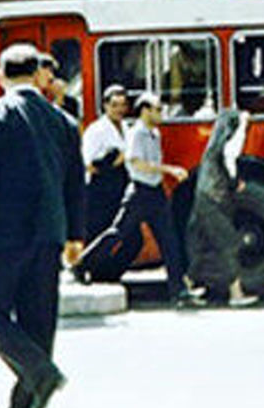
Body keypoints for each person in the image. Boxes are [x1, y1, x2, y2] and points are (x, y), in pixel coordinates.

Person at [0, 44, 85, 408]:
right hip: (50, 231)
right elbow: (75, 183)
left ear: (1, 76)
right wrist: (74, 235)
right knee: (39, 318)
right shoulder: (64, 121)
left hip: (4, 232)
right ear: (37, 75)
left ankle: (39, 372)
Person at [76, 93, 194, 305]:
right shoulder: (137, 133)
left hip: (155, 191)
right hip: (139, 193)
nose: (161, 113)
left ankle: (179, 290)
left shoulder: (154, 133)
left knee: (169, 241)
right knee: (117, 232)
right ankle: (81, 263)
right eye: (157, 109)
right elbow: (135, 162)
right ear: (145, 110)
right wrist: (168, 170)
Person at [185, 109, 258, 307]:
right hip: (214, 200)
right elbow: (230, 156)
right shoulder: (228, 144)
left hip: (204, 198)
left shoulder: (211, 148)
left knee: (204, 245)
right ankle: (236, 294)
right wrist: (243, 122)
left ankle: (186, 287)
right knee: (229, 242)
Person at [81, 84, 131, 241]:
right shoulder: (96, 130)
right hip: (101, 188)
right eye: (114, 105)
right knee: (99, 233)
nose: (119, 109)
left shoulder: (126, 127)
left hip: (121, 184)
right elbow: (88, 163)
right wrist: (114, 162)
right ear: (105, 106)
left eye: (123, 105)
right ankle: (90, 265)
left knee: (127, 236)